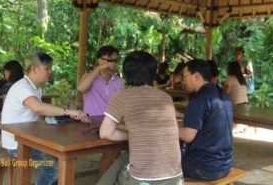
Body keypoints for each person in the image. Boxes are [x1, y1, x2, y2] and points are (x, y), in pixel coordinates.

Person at [1, 51, 88, 185]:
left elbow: (39, 112)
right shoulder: (23, 87)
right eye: (47, 68)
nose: (50, 71)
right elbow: (38, 107)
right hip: (16, 144)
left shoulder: (35, 87)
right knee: (54, 169)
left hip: (28, 138)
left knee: (61, 159)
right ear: (34, 68)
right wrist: (67, 112)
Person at [97, 51, 183, 185]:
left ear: (126, 74)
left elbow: (105, 133)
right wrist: (137, 131)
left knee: (118, 165)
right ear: (153, 73)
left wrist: (134, 132)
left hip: (144, 180)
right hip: (175, 177)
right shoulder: (165, 98)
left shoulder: (122, 96)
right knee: (125, 158)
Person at [179, 59, 233, 180]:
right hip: (225, 165)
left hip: (203, 168)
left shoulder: (199, 98)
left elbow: (188, 136)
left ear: (196, 76)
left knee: (161, 157)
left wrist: (166, 127)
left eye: (185, 77)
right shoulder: (223, 95)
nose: (183, 81)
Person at [77, 45, 124, 116]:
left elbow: (121, 105)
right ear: (100, 60)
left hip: (110, 123)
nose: (114, 63)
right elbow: (81, 88)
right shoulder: (88, 77)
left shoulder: (118, 81)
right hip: (90, 122)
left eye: (115, 61)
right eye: (110, 60)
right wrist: (98, 68)